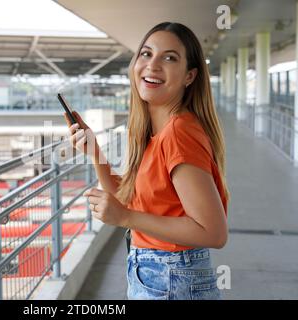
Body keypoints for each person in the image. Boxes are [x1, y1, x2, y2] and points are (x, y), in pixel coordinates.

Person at [64, 22, 229, 300]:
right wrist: (96, 154)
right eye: (146, 53)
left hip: (172, 278)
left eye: (169, 57)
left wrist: (126, 218)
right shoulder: (154, 130)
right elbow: (132, 199)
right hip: (158, 272)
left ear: (189, 76)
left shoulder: (178, 134)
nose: (152, 65)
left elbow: (213, 232)